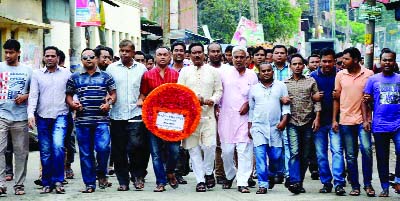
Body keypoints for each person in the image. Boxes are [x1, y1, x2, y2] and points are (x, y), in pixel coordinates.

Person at [66, 48, 116, 193]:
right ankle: (89, 183)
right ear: (81, 60)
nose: (88, 59)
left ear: (96, 59)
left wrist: (109, 103)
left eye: (91, 57)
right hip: (82, 122)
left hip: (101, 120)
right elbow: (68, 96)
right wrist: (72, 104)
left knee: (103, 148)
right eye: (85, 57)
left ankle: (101, 173)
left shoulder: (106, 76)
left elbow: (113, 94)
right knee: (86, 153)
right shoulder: (74, 77)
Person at [178, 43, 222, 192]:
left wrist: (213, 100)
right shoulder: (184, 72)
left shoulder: (213, 71)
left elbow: (219, 91)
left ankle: (209, 171)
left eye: (199, 52)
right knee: (193, 148)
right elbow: (180, 92)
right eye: (193, 53)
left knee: (209, 146)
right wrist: (192, 99)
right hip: (190, 116)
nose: (197, 55)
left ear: (204, 54)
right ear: (189, 55)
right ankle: (200, 180)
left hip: (208, 115)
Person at [27, 46, 72, 194]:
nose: (50, 58)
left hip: (61, 115)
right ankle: (47, 182)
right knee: (45, 151)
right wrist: (30, 114)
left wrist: (75, 106)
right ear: (44, 58)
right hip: (42, 117)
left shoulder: (66, 74)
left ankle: (58, 180)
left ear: (58, 58)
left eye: (53, 56)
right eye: (47, 56)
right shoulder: (37, 75)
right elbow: (33, 95)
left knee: (58, 147)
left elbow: (72, 92)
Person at [106, 40, 149, 191]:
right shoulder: (111, 68)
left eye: (127, 51)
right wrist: (108, 100)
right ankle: (123, 181)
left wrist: (141, 98)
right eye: (121, 50)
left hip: (136, 113)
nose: (124, 53)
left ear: (133, 52)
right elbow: (108, 89)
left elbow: (145, 89)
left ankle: (138, 176)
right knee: (119, 150)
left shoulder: (141, 69)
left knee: (137, 147)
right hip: (117, 114)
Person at [332, 47, 375, 197]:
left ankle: (368, 185)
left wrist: (369, 116)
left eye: (346, 59)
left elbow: (372, 98)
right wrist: (334, 120)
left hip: (363, 121)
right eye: (342, 59)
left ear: (355, 60)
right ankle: (355, 186)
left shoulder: (369, 74)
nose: (342, 62)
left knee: (367, 151)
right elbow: (336, 99)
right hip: (345, 120)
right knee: (350, 155)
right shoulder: (340, 75)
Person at [138, 47, 181, 192]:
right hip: (153, 119)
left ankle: (170, 171)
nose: (162, 57)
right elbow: (143, 94)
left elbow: (182, 96)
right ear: (155, 57)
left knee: (174, 150)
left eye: (165, 55)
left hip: (173, 119)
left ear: (170, 57)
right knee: (155, 153)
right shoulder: (147, 75)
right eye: (159, 55)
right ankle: (160, 182)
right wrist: (140, 100)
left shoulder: (176, 75)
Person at [218, 46, 258, 193]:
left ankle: (242, 182)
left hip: (245, 118)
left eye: (242, 57)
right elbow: (218, 92)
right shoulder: (224, 73)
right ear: (231, 58)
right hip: (226, 117)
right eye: (236, 57)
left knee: (244, 150)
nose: (239, 60)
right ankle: (230, 175)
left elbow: (255, 95)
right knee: (227, 152)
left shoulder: (252, 75)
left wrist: (248, 104)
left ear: (247, 59)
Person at [363, 48, 400, 197]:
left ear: (394, 61)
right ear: (380, 61)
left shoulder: (399, 79)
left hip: (398, 124)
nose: (387, 62)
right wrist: (366, 119)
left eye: (390, 60)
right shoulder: (373, 80)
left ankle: (397, 179)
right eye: (384, 60)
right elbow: (365, 101)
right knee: (382, 157)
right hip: (380, 125)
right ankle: (385, 187)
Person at [249, 62, 290, 194]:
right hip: (258, 127)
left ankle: (271, 174)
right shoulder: (254, 88)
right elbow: (251, 109)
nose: (266, 73)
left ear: (272, 72)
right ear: (259, 73)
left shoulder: (281, 86)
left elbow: (286, 105)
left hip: (275, 127)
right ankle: (262, 184)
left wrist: (284, 120)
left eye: (268, 71)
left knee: (276, 156)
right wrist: (250, 127)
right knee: (260, 156)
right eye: (263, 71)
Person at [310, 48, 346, 195]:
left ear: (334, 62)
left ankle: (339, 183)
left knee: (337, 151)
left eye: (330, 61)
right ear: (319, 61)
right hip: (318, 122)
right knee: (321, 154)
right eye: (324, 61)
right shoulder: (312, 77)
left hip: (336, 121)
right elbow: (306, 98)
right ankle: (326, 182)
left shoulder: (340, 76)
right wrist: (314, 97)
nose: (327, 64)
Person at [284, 53, 321, 194]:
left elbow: (317, 101)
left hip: (308, 121)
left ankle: (299, 180)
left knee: (305, 154)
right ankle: (294, 181)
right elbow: (281, 102)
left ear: (304, 65)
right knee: (294, 152)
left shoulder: (311, 81)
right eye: (294, 64)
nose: (297, 66)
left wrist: (317, 118)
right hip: (292, 122)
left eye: (300, 64)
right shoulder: (285, 84)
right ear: (290, 66)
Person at [0, 39, 32, 195]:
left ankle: (19, 185)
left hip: (20, 117)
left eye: (11, 52)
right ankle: (1, 184)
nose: (8, 55)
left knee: (21, 152)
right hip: (2, 115)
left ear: (19, 53)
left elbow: (34, 93)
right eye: (6, 52)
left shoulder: (28, 70)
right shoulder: (0, 67)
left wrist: (25, 96)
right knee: (0, 149)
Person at [207, 42, 229, 185]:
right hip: (207, 110)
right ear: (207, 54)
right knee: (209, 144)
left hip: (226, 110)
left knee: (224, 144)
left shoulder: (228, 69)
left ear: (221, 53)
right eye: (212, 51)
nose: (215, 54)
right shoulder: (204, 69)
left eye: (217, 51)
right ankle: (210, 173)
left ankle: (222, 173)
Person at [271, 45, 291, 187]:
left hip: (290, 112)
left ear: (286, 55)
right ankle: (276, 172)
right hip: (270, 113)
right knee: (274, 146)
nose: (279, 55)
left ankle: (288, 174)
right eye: (276, 53)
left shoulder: (293, 69)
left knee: (287, 144)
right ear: (272, 55)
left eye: (282, 53)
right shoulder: (265, 70)